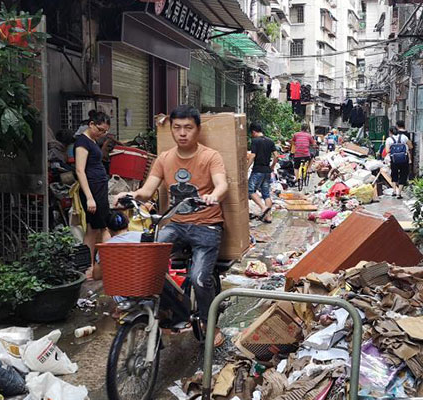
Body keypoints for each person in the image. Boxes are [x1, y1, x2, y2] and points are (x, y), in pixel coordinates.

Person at [116, 105, 229, 347]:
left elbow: (222, 185)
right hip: (175, 224)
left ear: (198, 129)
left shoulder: (211, 156)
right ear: (171, 130)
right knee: (147, 263)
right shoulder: (164, 158)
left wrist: (214, 196)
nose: (182, 133)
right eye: (177, 128)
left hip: (207, 225)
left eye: (188, 127)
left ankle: (210, 323)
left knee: (199, 278)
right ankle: (167, 311)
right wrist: (131, 195)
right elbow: (147, 190)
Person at [75, 111, 111, 280]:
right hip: (93, 189)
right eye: (100, 129)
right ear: (91, 124)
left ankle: (87, 268)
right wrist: (89, 197)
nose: (102, 134)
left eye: (105, 131)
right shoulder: (82, 142)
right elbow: (80, 170)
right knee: (103, 227)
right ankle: (104, 267)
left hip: (99, 187)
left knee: (92, 229)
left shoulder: (92, 141)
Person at [248, 122, 277, 223]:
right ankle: (268, 217)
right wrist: (272, 166)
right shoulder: (270, 141)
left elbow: (252, 156)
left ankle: (263, 208)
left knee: (250, 190)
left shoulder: (255, 141)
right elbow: (276, 156)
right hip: (267, 171)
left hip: (258, 170)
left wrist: (246, 168)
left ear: (253, 132)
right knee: (266, 194)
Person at [385, 121, 413, 199]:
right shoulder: (404, 137)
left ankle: (394, 191)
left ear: (390, 132)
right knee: (403, 174)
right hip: (404, 159)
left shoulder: (389, 139)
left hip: (394, 160)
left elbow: (387, 151)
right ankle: (399, 193)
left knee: (394, 174)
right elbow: (411, 146)